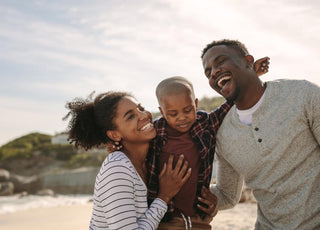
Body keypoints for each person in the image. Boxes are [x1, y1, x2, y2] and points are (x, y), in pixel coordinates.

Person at [201, 39, 320, 229]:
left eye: (220, 61)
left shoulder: (303, 95)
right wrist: (184, 194)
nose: (214, 72)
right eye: (208, 72)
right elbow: (227, 195)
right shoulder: (223, 135)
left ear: (248, 61)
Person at [147, 58, 269, 230]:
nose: (182, 117)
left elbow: (229, 105)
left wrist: (251, 75)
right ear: (161, 112)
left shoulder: (203, 123)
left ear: (195, 104)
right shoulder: (155, 132)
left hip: (196, 213)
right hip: (164, 215)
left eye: (187, 110)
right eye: (173, 113)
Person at [64, 91, 192, 230]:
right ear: (114, 134)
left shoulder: (149, 158)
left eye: (141, 108)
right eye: (131, 116)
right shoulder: (117, 169)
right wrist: (164, 196)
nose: (144, 115)